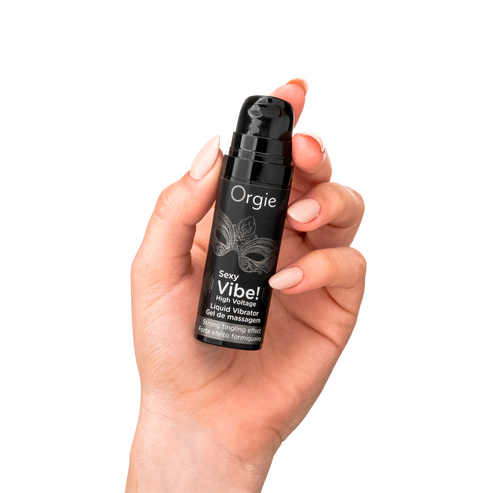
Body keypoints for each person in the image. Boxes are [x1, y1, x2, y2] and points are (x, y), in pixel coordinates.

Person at [124, 74, 368, 492]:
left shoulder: (266, 186)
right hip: (211, 326)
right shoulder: (234, 187)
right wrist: (184, 418)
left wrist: (216, 440)